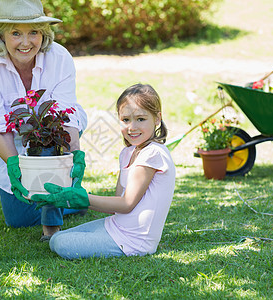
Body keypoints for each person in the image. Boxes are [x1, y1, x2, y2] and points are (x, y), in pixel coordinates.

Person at [0, 0, 88, 241]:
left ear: (43, 33)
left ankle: (53, 219)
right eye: (16, 33)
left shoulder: (59, 57)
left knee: (48, 159)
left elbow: (65, 114)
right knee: (18, 220)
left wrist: (73, 153)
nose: (26, 43)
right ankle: (72, 200)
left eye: (33, 32)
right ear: (1, 35)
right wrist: (14, 164)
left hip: (53, 135)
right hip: (8, 141)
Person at [31, 83, 176, 259]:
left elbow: (126, 203)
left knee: (60, 243)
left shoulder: (152, 153)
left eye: (140, 119)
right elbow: (117, 206)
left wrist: (80, 198)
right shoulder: (128, 152)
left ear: (157, 118)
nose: (132, 127)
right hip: (116, 226)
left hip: (134, 240)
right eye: (125, 120)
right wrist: (71, 198)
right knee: (56, 239)